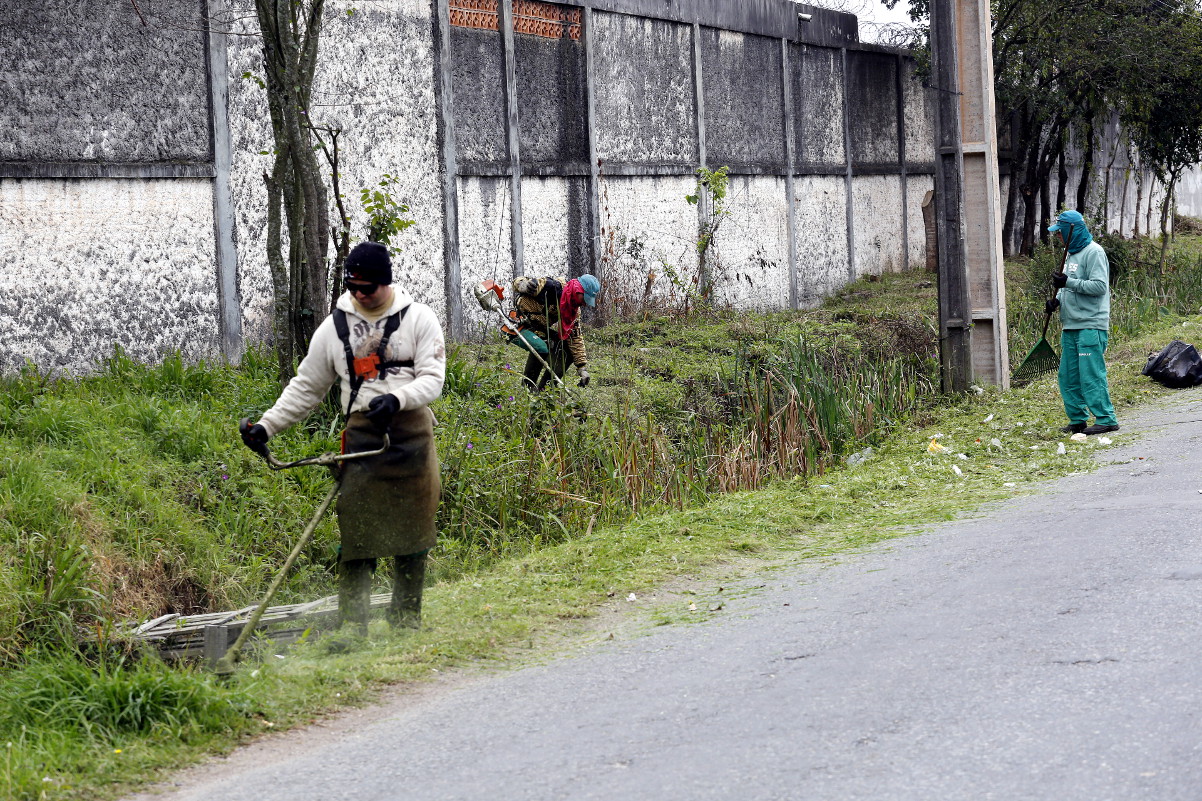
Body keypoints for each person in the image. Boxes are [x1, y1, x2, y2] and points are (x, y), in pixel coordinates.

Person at [239, 242, 446, 634]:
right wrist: (266, 426)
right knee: (357, 534)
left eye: (368, 287)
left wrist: (398, 398)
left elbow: (433, 380)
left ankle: (406, 619)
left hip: (412, 438)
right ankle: (353, 627)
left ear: (386, 281)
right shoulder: (336, 327)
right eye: (354, 288)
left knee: (414, 531)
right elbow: (307, 387)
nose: (361, 295)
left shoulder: (419, 319)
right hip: (363, 440)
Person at [1045, 210, 1119, 436]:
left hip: (1090, 324)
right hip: (1071, 325)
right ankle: (1077, 419)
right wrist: (1056, 301)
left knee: (1091, 374)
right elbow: (1068, 286)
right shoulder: (1070, 254)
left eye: (1061, 232)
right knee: (1068, 376)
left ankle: (1107, 418)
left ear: (1071, 230)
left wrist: (1069, 282)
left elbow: (1099, 287)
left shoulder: (1094, 252)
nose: (1058, 237)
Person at [511, 273, 600, 391]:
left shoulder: (574, 310)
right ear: (578, 290)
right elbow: (517, 282)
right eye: (584, 298)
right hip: (519, 325)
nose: (584, 303)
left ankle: (546, 391)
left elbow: (575, 337)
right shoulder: (552, 287)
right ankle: (528, 389)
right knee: (541, 347)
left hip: (539, 329)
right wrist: (523, 285)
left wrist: (582, 368)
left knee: (566, 350)